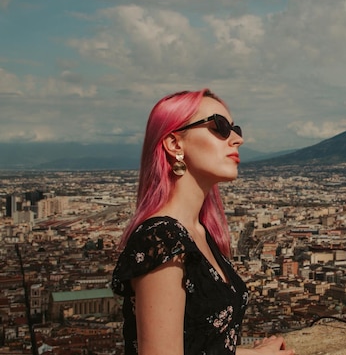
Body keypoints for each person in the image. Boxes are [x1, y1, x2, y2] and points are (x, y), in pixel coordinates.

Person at [112, 89, 294, 355]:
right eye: (220, 127)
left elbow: (200, 348)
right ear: (175, 144)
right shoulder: (162, 239)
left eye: (235, 128)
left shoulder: (197, 232)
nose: (237, 139)